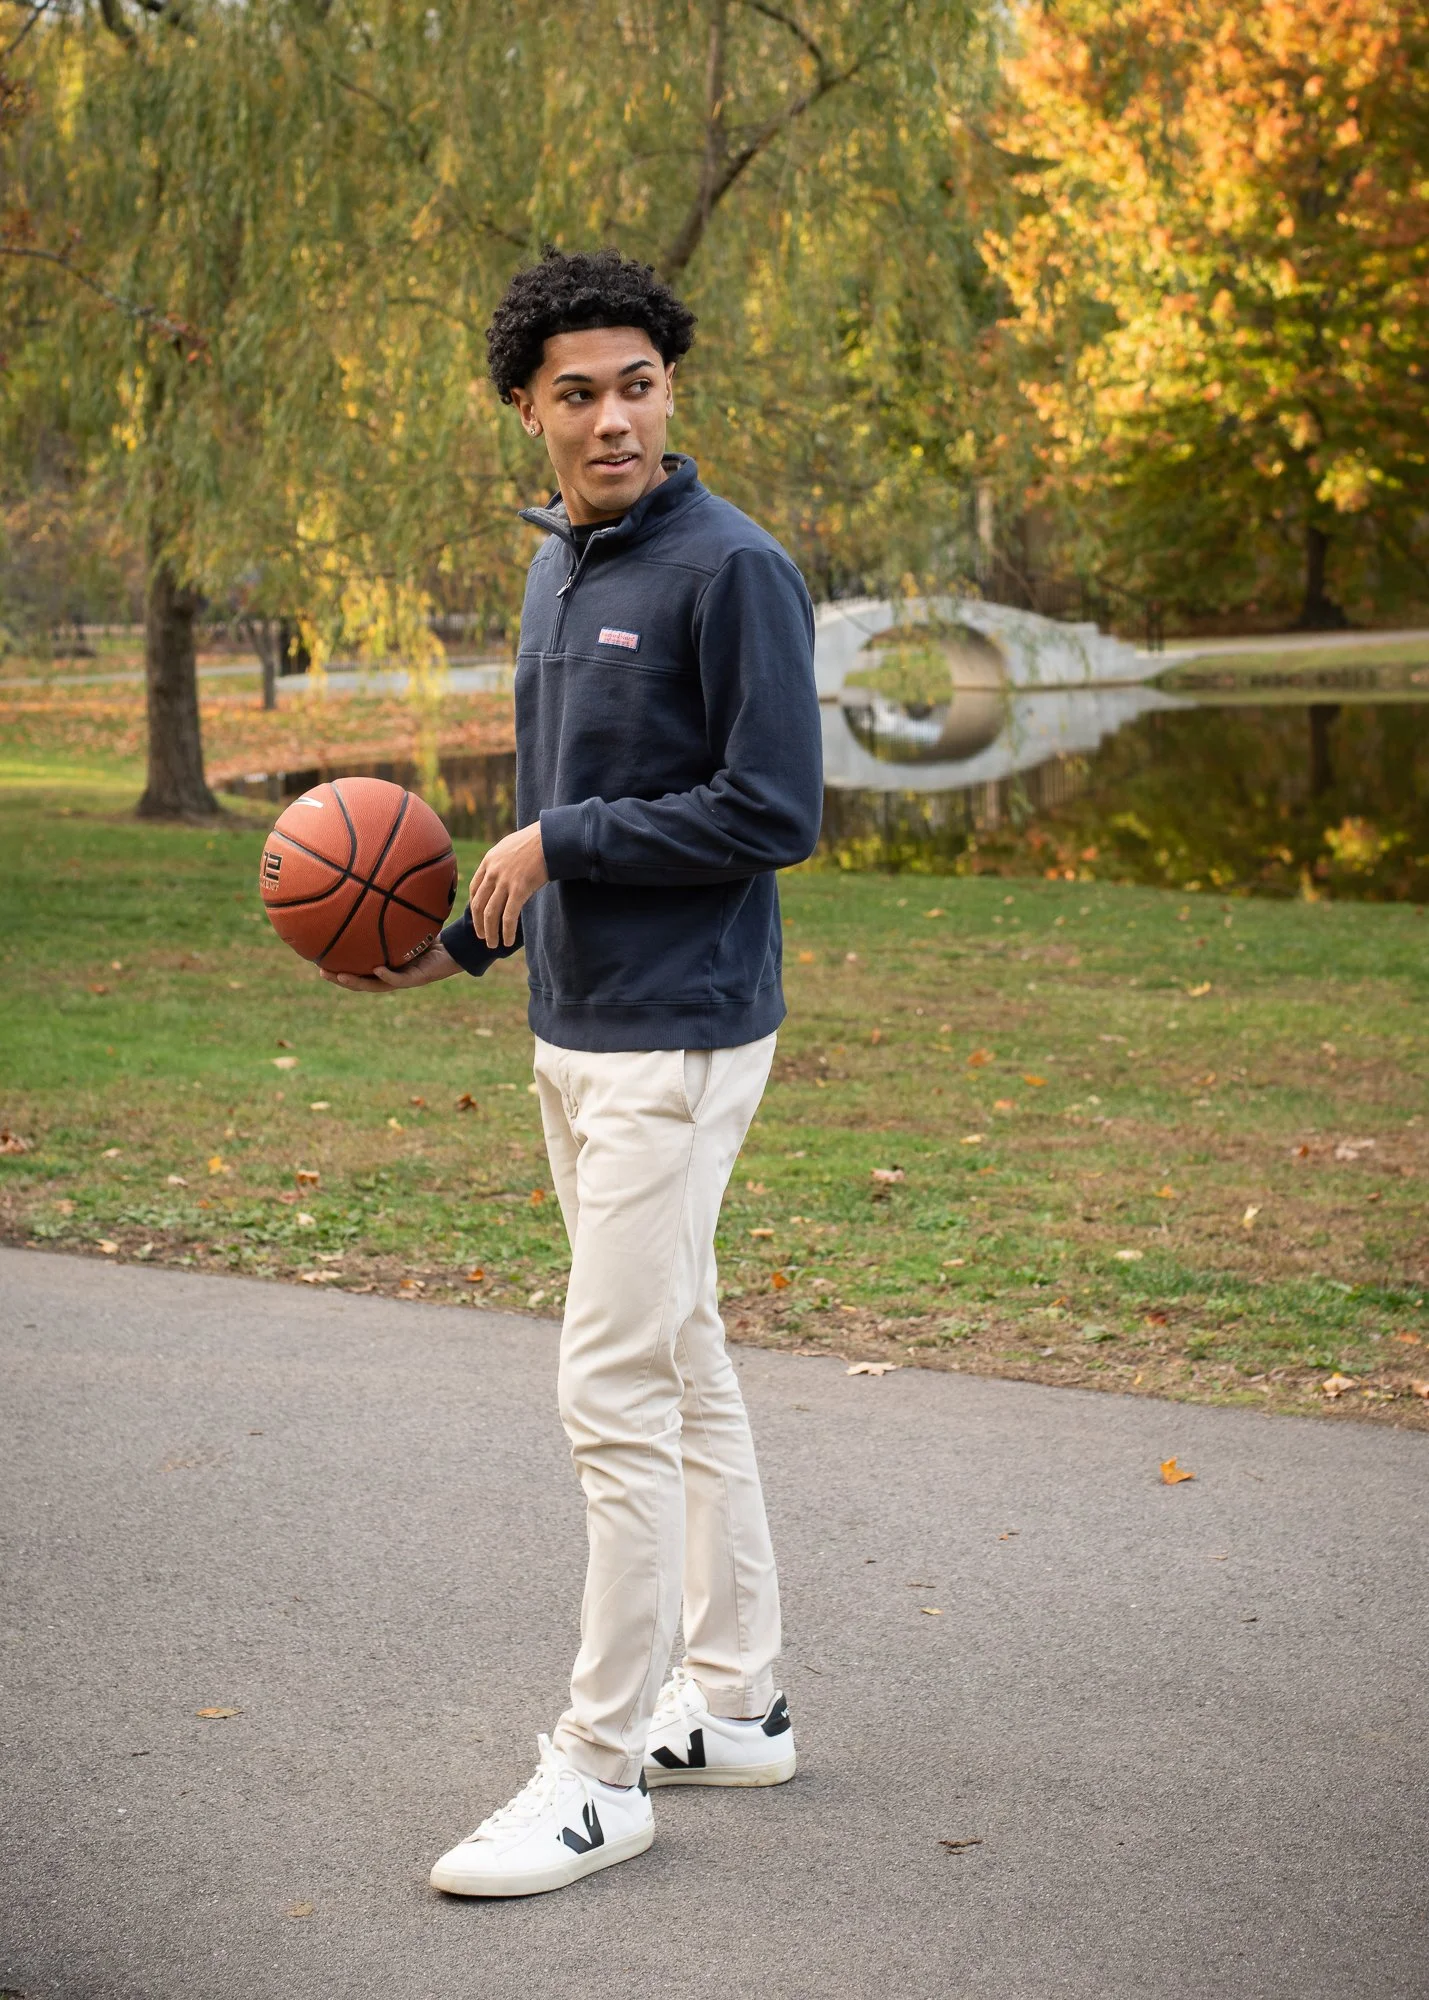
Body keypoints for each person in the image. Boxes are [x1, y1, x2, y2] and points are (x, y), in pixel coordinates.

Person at [325, 246, 823, 1899]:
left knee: (611, 1394)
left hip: (680, 1034)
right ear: (527, 412)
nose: (612, 419)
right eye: (577, 394)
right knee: (681, 1367)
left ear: (670, 392)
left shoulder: (730, 567)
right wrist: (454, 944)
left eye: (639, 386)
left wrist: (560, 837)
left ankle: (599, 1771)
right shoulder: (560, 569)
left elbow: (774, 813)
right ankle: (736, 1704)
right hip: (574, 1027)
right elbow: (550, 833)